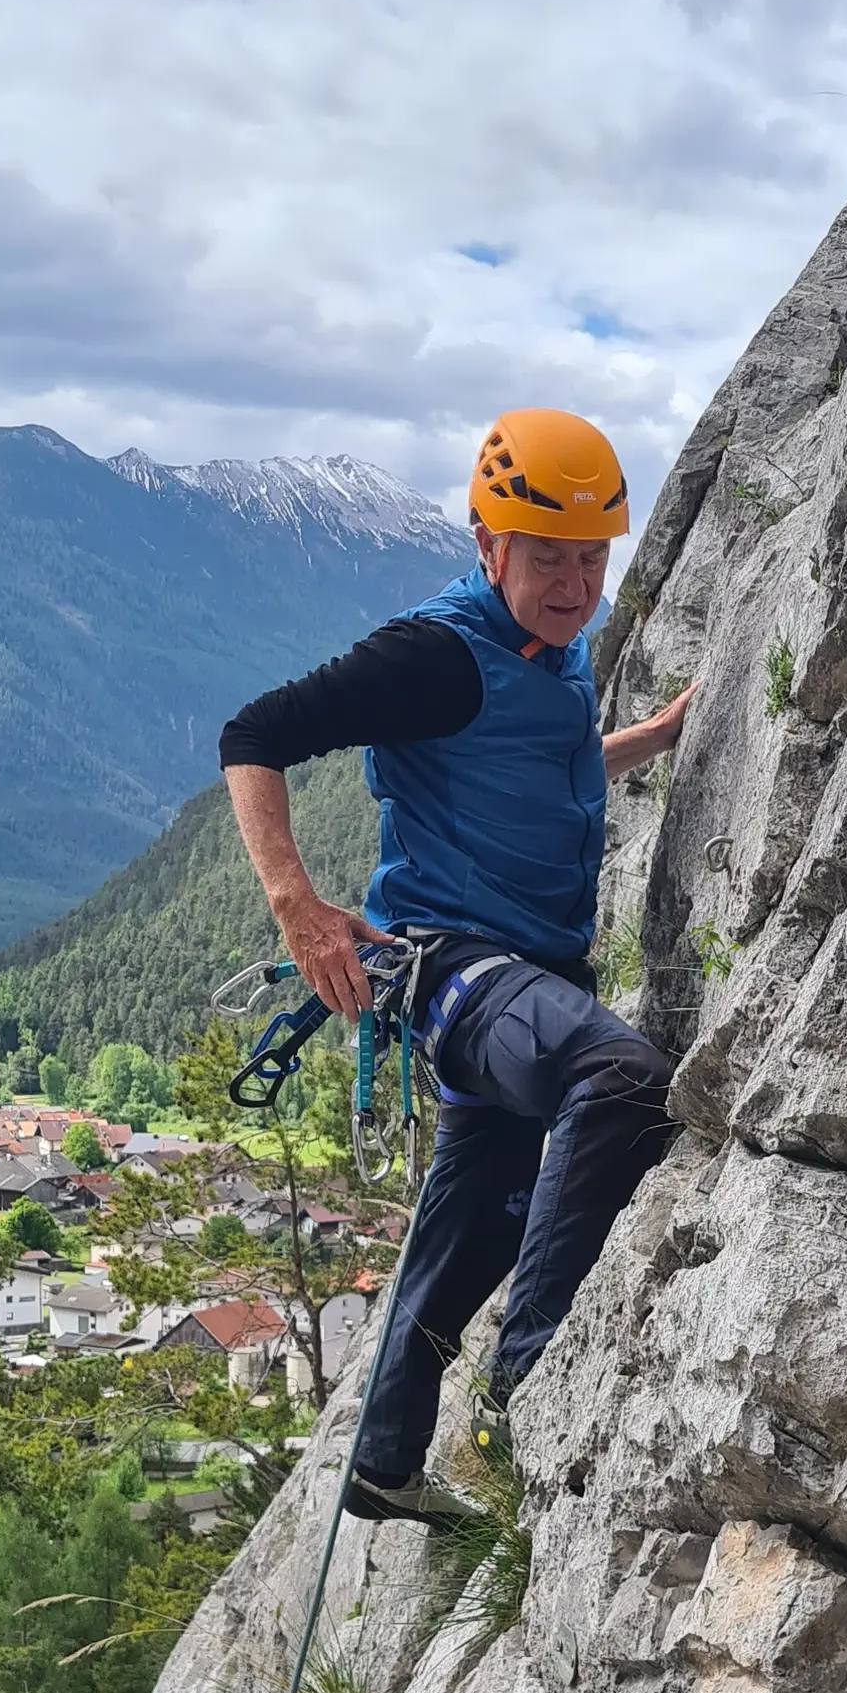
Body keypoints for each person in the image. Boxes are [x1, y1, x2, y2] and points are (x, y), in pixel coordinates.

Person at [218, 406, 693, 1523]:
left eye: (592, 558)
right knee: (620, 1078)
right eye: (547, 556)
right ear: (488, 546)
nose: (575, 582)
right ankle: (528, 1378)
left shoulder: (553, 649)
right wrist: (299, 906)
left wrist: (651, 742)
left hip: (529, 979)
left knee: (473, 1220)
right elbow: (253, 733)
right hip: (457, 968)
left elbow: (534, 759)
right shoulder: (434, 652)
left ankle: (383, 1461)